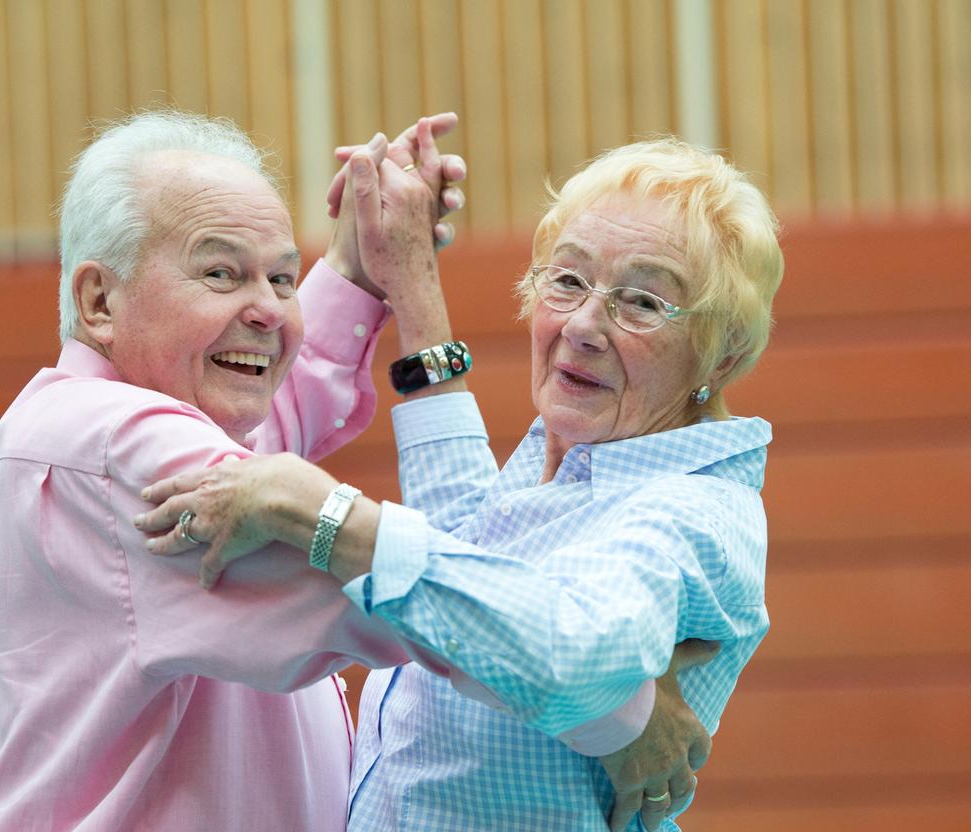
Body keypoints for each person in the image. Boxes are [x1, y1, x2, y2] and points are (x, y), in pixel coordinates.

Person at [0, 110, 699, 831]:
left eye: (283, 280)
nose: (270, 312)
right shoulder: (120, 448)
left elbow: (274, 427)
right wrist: (619, 708)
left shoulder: (148, 427)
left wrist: (357, 263)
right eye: (221, 273)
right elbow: (426, 603)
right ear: (99, 300)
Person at [137, 136, 784, 830]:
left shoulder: (697, 514)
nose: (585, 326)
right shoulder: (584, 453)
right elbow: (466, 542)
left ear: (726, 352)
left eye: (644, 303)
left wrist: (323, 514)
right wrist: (409, 277)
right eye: (566, 280)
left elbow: (568, 652)